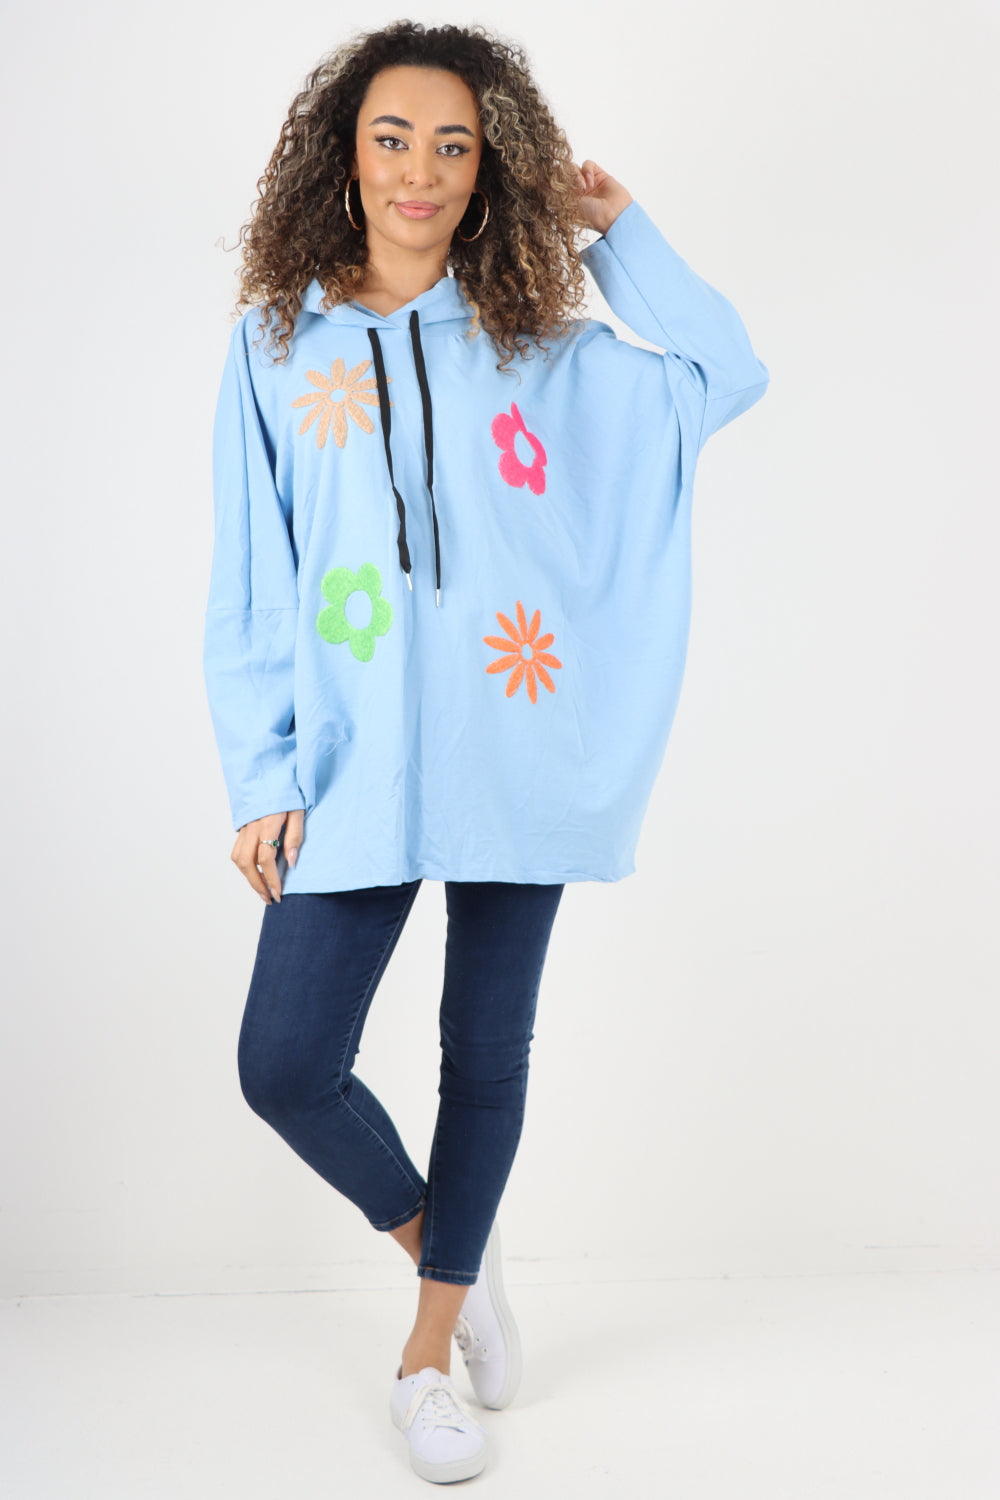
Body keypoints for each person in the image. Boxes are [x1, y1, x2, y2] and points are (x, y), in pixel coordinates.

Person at [203, 18, 769, 1487]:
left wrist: (620, 229)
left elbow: (724, 372)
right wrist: (263, 774)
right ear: (343, 157)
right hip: (348, 768)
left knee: (484, 1052)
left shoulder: (540, 347)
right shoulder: (274, 348)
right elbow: (252, 579)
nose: (421, 170)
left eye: (453, 146)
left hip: (515, 751)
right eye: (394, 138)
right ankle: (450, 1243)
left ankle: (425, 1357)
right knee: (285, 1065)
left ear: (487, 167)